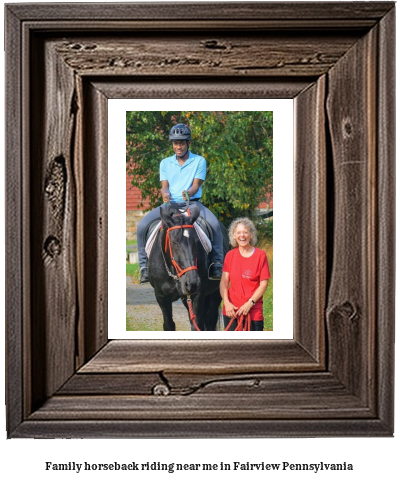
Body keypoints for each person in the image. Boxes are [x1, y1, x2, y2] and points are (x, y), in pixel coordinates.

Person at [137, 123, 224, 283]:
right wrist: (165, 194)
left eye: (182, 143)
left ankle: (216, 264)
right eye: (176, 143)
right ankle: (144, 267)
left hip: (192, 204)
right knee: (142, 226)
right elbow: (164, 187)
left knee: (215, 225)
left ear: (188, 143)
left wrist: (189, 193)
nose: (179, 146)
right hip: (170, 206)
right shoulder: (165, 163)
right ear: (172, 144)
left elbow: (197, 184)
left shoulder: (199, 161)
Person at [220, 217, 270, 331]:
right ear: (234, 236)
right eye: (238, 232)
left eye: (245, 232)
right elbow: (224, 282)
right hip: (231, 310)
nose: (242, 235)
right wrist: (227, 303)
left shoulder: (260, 256)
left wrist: (250, 303)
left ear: (251, 235)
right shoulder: (230, 255)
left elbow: (263, 284)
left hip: (253, 311)